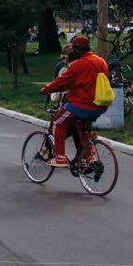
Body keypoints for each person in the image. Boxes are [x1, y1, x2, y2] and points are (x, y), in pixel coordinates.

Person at [39, 35, 109, 167]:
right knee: (81, 128)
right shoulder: (101, 61)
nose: (71, 52)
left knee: (58, 123)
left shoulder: (78, 64)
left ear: (78, 49)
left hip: (82, 105)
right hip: (100, 105)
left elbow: (62, 82)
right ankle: (89, 158)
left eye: (73, 49)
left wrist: (46, 89)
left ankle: (60, 158)